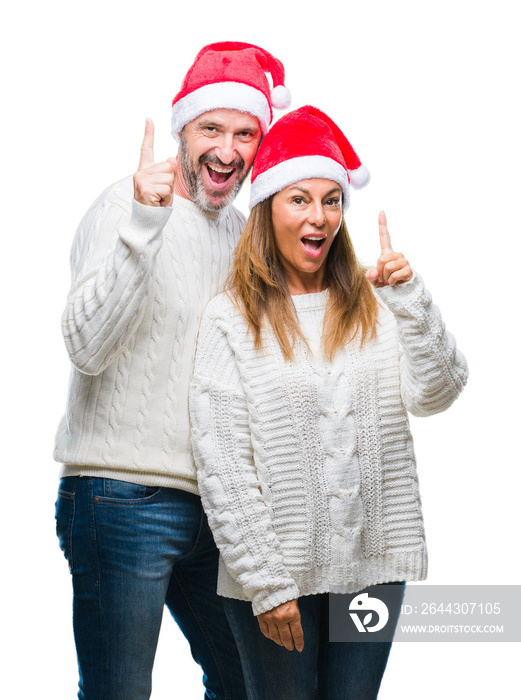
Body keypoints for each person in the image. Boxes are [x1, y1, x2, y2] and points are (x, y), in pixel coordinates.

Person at [189, 105, 469, 699]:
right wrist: (266, 582)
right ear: (266, 208)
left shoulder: (377, 304)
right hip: (277, 573)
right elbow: (224, 464)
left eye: (332, 200)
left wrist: (411, 300)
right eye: (299, 199)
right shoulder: (231, 318)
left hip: (374, 569)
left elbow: (438, 392)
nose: (319, 217)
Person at [53, 42, 291, 700]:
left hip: (213, 510)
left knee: (249, 682)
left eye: (246, 133)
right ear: (181, 130)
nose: (227, 148)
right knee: (119, 690)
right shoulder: (123, 208)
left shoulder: (245, 235)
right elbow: (85, 347)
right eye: (210, 129)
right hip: (120, 498)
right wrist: (143, 226)